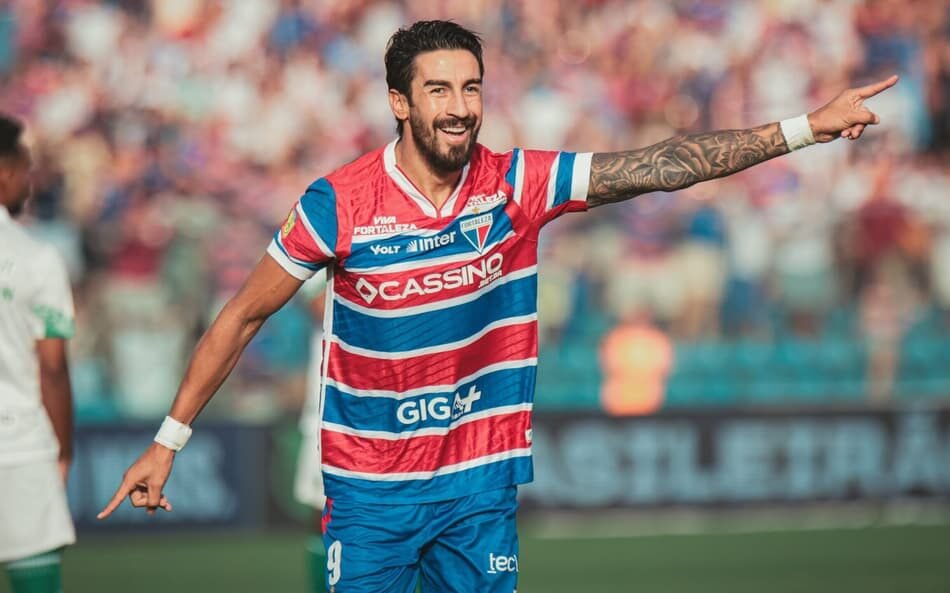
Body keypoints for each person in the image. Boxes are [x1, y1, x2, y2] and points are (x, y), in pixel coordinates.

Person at [97, 20, 897, 592]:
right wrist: (169, 440)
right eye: (437, 89)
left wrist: (804, 129)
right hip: (372, 488)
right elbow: (241, 314)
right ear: (399, 103)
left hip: (479, 483)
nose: (458, 105)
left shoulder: (519, 182)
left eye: (471, 87)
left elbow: (661, 166)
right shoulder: (339, 202)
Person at [0, 114, 77, 593]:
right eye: (25, 168)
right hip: (19, 442)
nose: (29, 181)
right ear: (4, 170)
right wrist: (64, 448)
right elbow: (52, 366)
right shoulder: (36, 257)